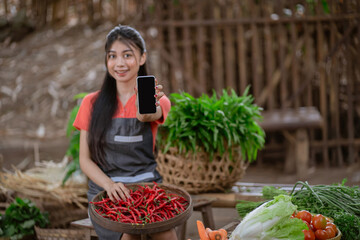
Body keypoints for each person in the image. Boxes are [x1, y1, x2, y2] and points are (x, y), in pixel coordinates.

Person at [73, 25, 174, 240]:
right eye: (112, 56)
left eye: (127, 55)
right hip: (106, 190)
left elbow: (146, 116)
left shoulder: (159, 100)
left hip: (148, 187)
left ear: (142, 57)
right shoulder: (91, 103)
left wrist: (143, 104)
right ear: (106, 60)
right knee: (129, 234)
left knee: (165, 232)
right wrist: (109, 185)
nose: (119, 63)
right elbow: (85, 160)